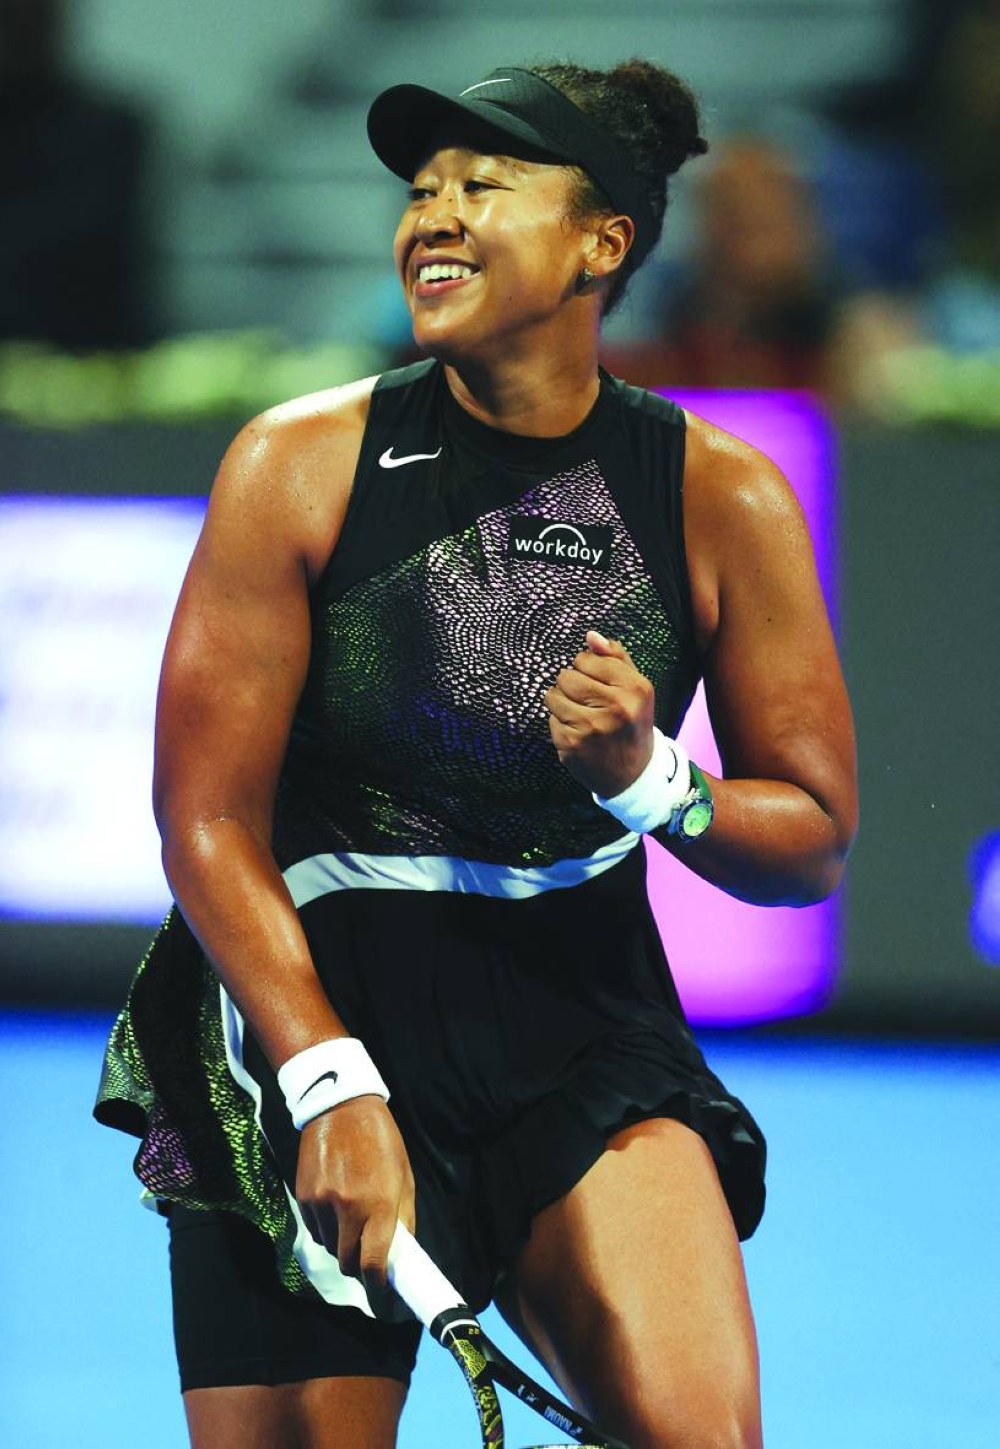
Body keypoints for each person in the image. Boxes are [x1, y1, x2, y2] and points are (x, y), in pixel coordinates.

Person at [95, 60, 857, 1449]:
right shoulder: (296, 466)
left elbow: (811, 840)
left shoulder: (720, 497)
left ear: (600, 242)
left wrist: (652, 778)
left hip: (579, 1019)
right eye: (421, 192)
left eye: (481, 187)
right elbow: (202, 820)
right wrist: (328, 1080)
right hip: (304, 1010)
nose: (432, 216)